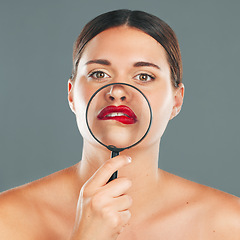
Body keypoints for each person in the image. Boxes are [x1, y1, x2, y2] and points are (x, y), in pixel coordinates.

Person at [0, 9, 240, 240]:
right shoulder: (6, 218)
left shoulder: (231, 223)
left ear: (177, 100)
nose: (117, 92)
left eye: (144, 76)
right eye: (99, 74)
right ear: (72, 95)